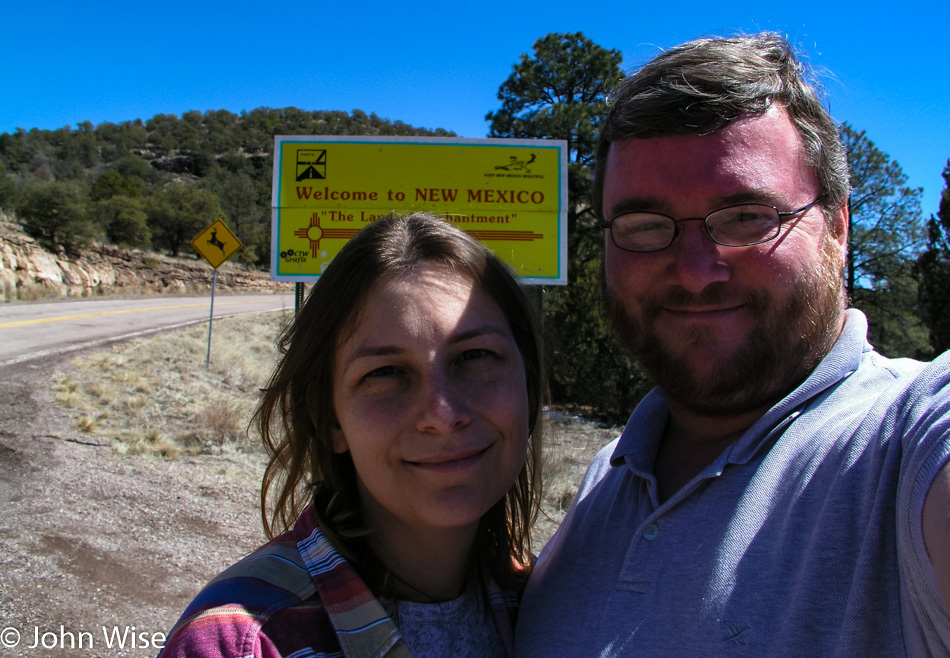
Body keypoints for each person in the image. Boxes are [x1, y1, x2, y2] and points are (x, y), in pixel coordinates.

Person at [515, 32, 950, 656]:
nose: (695, 271)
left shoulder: (907, 443)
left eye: (748, 217)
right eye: (643, 225)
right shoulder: (602, 483)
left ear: (838, 226)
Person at [160, 213, 544, 657]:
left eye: (475, 356)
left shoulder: (552, 605)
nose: (442, 414)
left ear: (528, 386)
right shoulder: (237, 644)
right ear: (330, 419)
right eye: (385, 373)